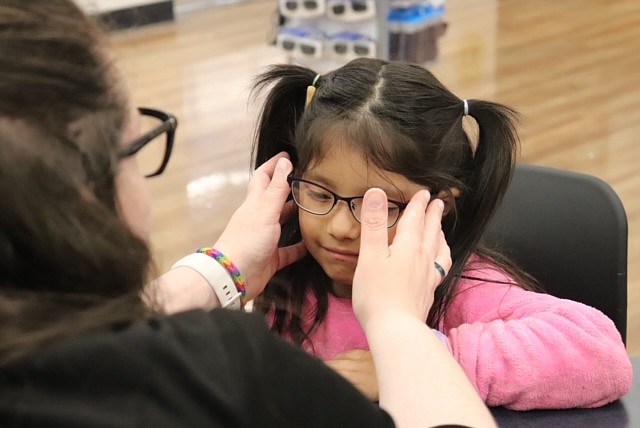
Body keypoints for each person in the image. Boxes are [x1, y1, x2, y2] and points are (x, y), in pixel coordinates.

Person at [0, 1, 498, 427]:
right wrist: (397, 325)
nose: (344, 227)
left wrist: (222, 268)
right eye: (138, 145)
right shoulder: (216, 372)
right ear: (82, 189)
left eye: (381, 206)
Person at [250, 58, 633, 410]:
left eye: (380, 207)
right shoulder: (279, 277)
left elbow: (601, 354)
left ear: (441, 206)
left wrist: (411, 360)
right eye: (319, 194)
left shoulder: (459, 292)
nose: (341, 228)